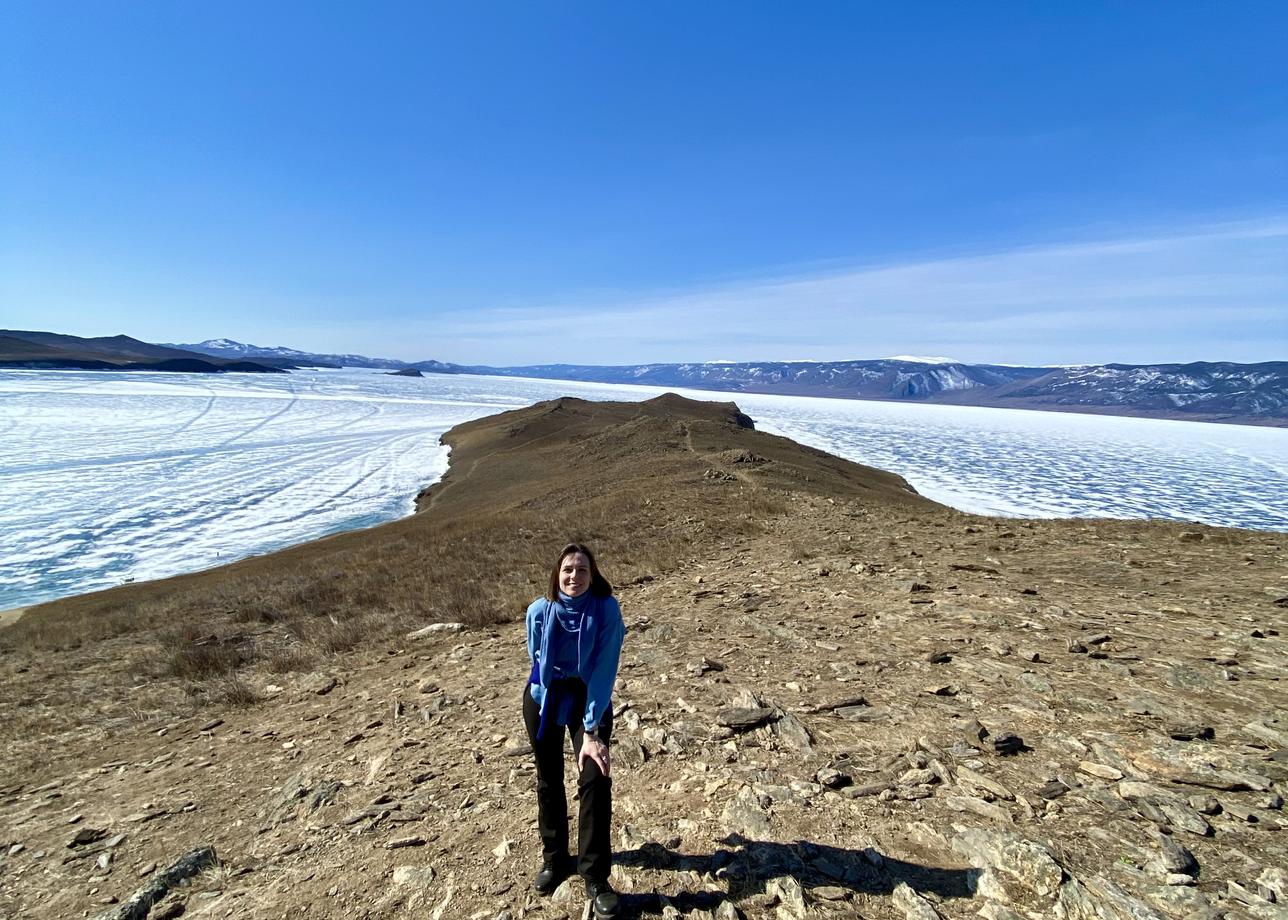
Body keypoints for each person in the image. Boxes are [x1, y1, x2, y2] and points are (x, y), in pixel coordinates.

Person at [523, 543, 626, 920]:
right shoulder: (539, 611)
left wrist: (592, 730)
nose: (574, 577)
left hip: (588, 696)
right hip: (545, 698)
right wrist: (546, 692)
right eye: (568, 569)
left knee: (595, 775)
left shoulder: (606, 610)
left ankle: (595, 876)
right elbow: (536, 659)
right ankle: (555, 859)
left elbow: (604, 669)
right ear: (557, 575)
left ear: (592, 575)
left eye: (582, 570)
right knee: (548, 778)